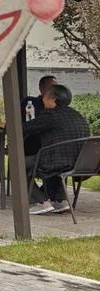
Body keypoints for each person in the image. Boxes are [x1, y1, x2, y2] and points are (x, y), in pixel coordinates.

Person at [28, 83, 89, 215]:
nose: (42, 100)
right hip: (78, 164)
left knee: (19, 164)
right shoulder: (78, 116)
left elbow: (25, 128)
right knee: (53, 158)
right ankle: (60, 200)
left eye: (45, 97)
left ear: (53, 99)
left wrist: (4, 125)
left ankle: (40, 202)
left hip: (57, 163)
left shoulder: (51, 115)